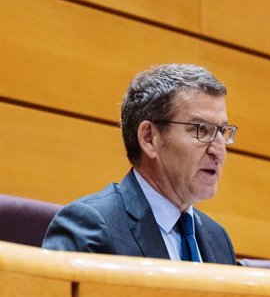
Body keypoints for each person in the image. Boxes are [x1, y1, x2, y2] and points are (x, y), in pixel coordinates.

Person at [43, 64, 236, 264]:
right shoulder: (92, 227)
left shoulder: (218, 239)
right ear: (149, 138)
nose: (218, 150)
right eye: (201, 129)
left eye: (222, 131)